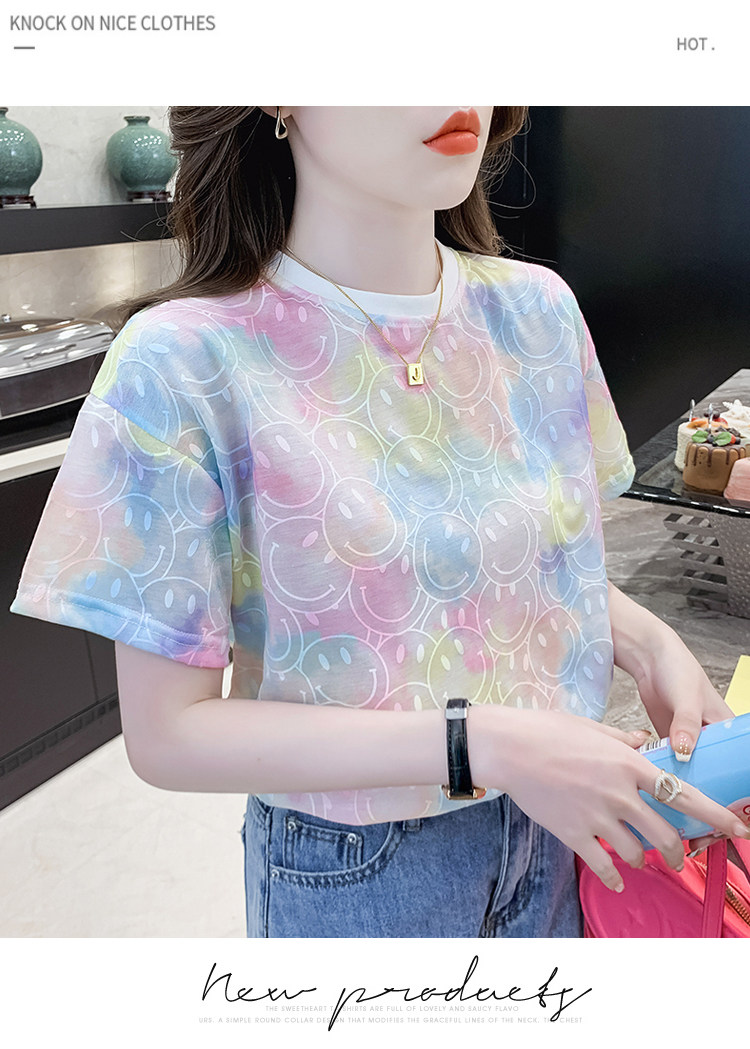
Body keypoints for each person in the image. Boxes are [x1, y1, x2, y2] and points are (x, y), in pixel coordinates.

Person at [11, 106, 749, 938]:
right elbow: (168, 735)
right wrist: (481, 744)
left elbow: (520, 570)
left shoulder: (538, 312)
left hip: (569, 829)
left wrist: (646, 639)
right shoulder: (181, 360)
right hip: (361, 873)